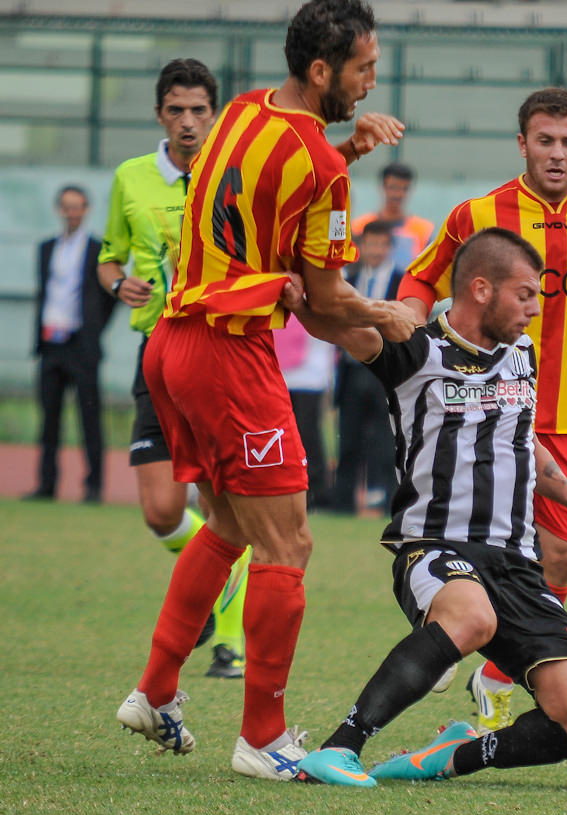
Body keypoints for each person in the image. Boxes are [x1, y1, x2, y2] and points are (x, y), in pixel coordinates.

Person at [114, 0, 413, 781]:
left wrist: (347, 146)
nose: (371, 79)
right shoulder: (322, 169)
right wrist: (386, 315)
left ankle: (154, 690)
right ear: (323, 71)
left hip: (172, 342)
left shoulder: (246, 108)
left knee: (225, 523)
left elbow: (276, 183)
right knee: (291, 543)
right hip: (227, 355)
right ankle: (264, 737)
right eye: (362, 69)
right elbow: (328, 297)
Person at [292, 227, 567, 788]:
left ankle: (449, 756)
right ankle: (338, 748)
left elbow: (519, 437)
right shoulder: (416, 349)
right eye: (525, 295)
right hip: (436, 549)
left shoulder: (522, 354)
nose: (535, 310)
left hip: (518, 563)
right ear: (480, 289)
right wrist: (299, 290)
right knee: (472, 616)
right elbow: (329, 320)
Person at [398, 86, 567, 732]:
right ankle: (444, 630)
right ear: (522, 143)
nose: (556, 153)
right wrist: (410, 328)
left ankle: (492, 669)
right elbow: (423, 277)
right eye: (543, 141)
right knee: (468, 536)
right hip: (487, 399)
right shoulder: (480, 213)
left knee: (566, 553)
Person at [95, 58, 247, 679]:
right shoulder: (132, 178)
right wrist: (119, 284)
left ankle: (230, 644)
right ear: (160, 114)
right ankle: (218, 576)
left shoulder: (232, 178)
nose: (188, 122)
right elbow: (109, 258)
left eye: (199, 111)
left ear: (215, 115)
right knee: (162, 511)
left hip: (218, 354)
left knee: (226, 503)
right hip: (156, 356)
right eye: (177, 111)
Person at [28, 185, 115, 503]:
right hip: (51, 344)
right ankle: (46, 485)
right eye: (66, 206)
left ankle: (94, 487)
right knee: (49, 418)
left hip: (82, 346)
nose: (72, 212)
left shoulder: (97, 250)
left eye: (77, 206)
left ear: (86, 209)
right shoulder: (47, 248)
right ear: (59, 210)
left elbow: (110, 298)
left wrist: (93, 330)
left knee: (89, 417)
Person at [330, 220, 401, 514]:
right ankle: (343, 502)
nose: (374, 249)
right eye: (370, 243)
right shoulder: (348, 279)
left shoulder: (400, 281)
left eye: (380, 244)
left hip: (384, 372)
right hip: (352, 369)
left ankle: (390, 502)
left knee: (387, 440)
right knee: (348, 438)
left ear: (388, 247)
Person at [273, 314, 334, 511]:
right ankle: (285, 487)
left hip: (310, 372)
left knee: (308, 433)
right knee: (282, 434)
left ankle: (315, 489)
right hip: (279, 368)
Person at [350, 162, 434, 271]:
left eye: (404, 189)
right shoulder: (359, 226)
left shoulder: (423, 230)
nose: (398, 194)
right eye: (393, 187)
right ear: (382, 187)